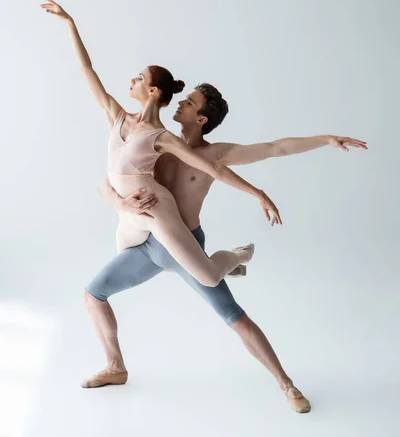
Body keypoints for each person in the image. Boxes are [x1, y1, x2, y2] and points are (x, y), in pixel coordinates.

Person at [83, 82, 367, 412]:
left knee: (234, 317)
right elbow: (109, 175)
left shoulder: (214, 154)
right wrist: (121, 201)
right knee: (93, 294)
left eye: (189, 103)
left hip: (187, 249)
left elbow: (275, 147)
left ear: (201, 119)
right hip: (148, 246)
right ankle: (115, 367)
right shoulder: (153, 140)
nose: (181, 103)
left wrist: (325, 140)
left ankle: (286, 384)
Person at [40, 0, 283, 289]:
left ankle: (237, 255)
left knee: (205, 276)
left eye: (139, 78)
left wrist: (258, 194)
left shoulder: (163, 138)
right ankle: (218, 265)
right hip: (128, 215)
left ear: (153, 91)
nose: (132, 79)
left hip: (153, 210)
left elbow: (214, 169)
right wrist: (70, 23)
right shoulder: (117, 115)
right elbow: (87, 70)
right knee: (159, 265)